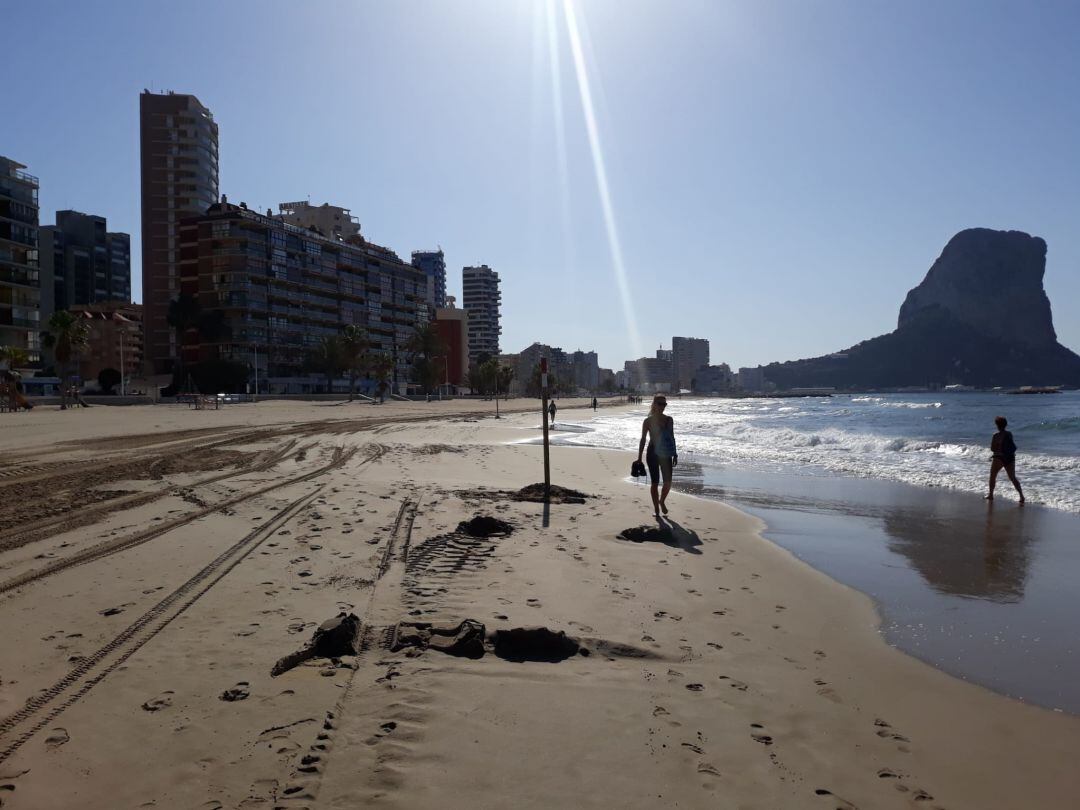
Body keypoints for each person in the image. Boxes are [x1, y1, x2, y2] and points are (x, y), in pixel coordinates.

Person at [637, 394, 677, 516]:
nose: (662, 406)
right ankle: (656, 508)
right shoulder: (648, 421)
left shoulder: (669, 419)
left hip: (666, 453)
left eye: (664, 404)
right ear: (654, 404)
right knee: (655, 482)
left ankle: (662, 501)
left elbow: (672, 437)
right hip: (652, 452)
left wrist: (675, 453)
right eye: (660, 404)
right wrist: (639, 458)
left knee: (668, 482)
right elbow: (643, 439)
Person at [986, 415, 1024, 504]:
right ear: (1005, 425)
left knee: (993, 475)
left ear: (997, 425)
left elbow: (992, 449)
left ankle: (991, 495)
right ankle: (1021, 496)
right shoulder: (1009, 434)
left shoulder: (995, 435)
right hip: (1010, 457)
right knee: (1013, 478)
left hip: (999, 457)